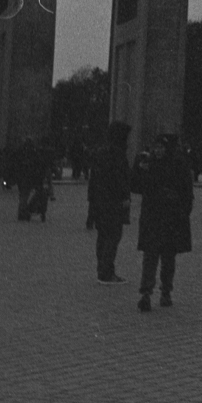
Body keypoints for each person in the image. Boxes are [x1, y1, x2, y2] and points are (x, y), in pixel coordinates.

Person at [134, 134, 194, 311]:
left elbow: (187, 192)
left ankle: (166, 291)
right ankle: (146, 293)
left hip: (171, 219)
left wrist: (182, 212)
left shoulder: (178, 165)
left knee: (168, 258)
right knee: (150, 257)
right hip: (152, 218)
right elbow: (136, 186)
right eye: (156, 147)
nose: (158, 151)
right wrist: (138, 169)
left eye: (161, 147)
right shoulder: (149, 164)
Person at [88, 122, 132, 284]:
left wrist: (92, 200)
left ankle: (102, 269)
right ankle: (107, 272)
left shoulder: (101, 153)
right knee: (113, 236)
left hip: (100, 201)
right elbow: (120, 179)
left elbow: (94, 179)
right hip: (113, 202)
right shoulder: (118, 154)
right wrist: (125, 197)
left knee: (103, 236)